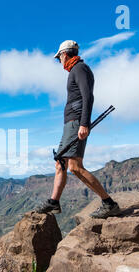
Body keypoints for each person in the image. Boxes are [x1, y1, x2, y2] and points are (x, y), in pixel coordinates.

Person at [36, 40, 120, 219]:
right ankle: (54, 202)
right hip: (71, 124)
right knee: (61, 162)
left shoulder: (80, 69)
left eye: (59, 57)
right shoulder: (75, 70)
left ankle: (109, 203)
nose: (59, 61)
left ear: (65, 54)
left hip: (76, 123)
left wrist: (83, 123)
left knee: (74, 167)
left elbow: (87, 96)